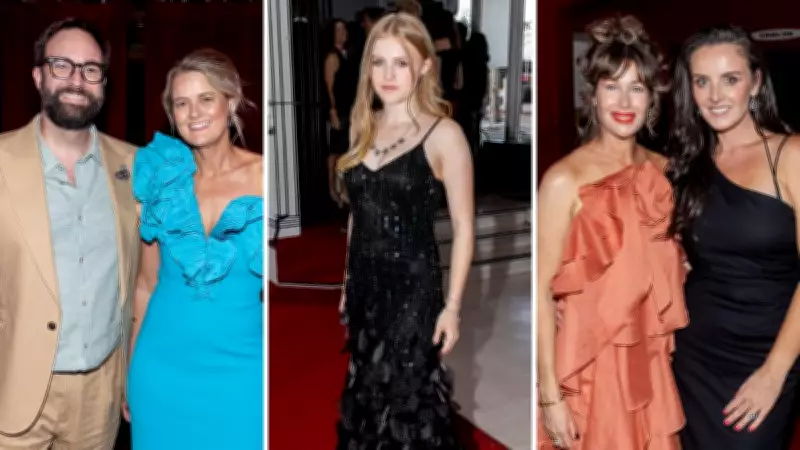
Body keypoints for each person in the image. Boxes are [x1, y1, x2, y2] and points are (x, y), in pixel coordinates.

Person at [536, 16, 687, 449]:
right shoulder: (564, 179)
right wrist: (551, 395)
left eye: (636, 87)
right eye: (611, 86)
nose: (624, 101)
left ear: (652, 98)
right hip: (591, 370)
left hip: (651, 366)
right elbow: (542, 292)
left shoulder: (665, 173)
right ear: (592, 95)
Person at [335, 12, 474, 449]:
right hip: (366, 289)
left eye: (401, 62)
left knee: (408, 400)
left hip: (414, 291)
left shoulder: (445, 134)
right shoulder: (363, 125)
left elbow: (464, 227)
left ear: (425, 66)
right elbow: (358, 214)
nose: (388, 75)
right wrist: (346, 281)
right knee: (367, 390)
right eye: (379, 62)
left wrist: (452, 307)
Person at [0, 18, 139, 448]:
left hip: (99, 397)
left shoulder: (135, 167)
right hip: (12, 385)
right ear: (38, 76)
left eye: (90, 69)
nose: (77, 80)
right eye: (62, 65)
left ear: (103, 83)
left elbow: (145, 282)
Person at [667, 25, 800, 450]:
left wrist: (773, 374)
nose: (715, 96)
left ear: (755, 82)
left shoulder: (790, 156)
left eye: (730, 79)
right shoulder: (688, 165)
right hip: (693, 355)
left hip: (767, 354)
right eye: (702, 81)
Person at [125, 48, 263, 449]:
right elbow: (145, 285)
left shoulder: (264, 178)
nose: (194, 113)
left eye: (205, 99)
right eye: (181, 103)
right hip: (161, 371)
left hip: (243, 372)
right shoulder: (161, 179)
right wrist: (131, 371)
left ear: (231, 101)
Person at [324, 18, 358, 206]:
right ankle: (334, 189)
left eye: (344, 29)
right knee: (338, 151)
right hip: (340, 110)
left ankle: (341, 189)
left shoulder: (348, 54)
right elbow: (328, 87)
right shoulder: (332, 56)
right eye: (338, 30)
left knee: (345, 150)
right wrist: (332, 111)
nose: (342, 33)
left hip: (350, 109)